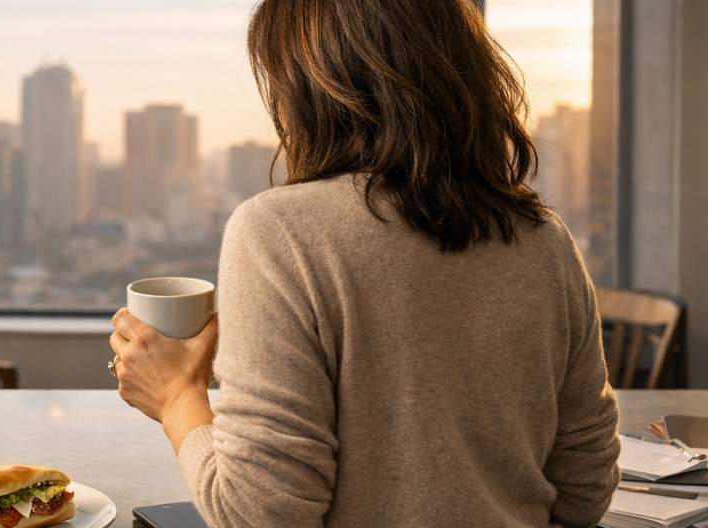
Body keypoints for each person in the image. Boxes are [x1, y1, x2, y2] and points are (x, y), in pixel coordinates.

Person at [107, 0, 621, 526]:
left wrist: (175, 396)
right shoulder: (545, 240)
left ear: (310, 90)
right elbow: (586, 485)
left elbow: (260, 515)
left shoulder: (280, 231)